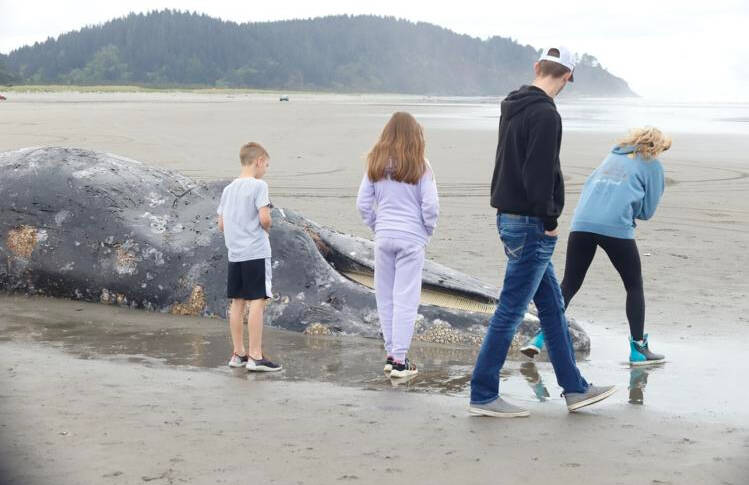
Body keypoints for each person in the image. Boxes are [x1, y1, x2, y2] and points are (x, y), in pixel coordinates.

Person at [469, 46, 616, 417]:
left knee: (552, 308)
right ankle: (483, 393)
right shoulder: (546, 114)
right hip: (530, 225)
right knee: (511, 311)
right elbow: (538, 173)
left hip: (510, 216)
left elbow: (510, 164)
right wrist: (549, 221)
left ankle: (574, 387)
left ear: (538, 66)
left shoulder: (512, 106)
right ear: (567, 76)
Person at [520, 127, 670, 366]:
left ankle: (538, 338)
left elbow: (591, 187)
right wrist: (632, 210)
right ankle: (639, 349)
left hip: (581, 224)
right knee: (633, 284)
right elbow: (648, 211)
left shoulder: (612, 157)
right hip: (615, 227)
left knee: (569, 283)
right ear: (656, 147)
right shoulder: (651, 164)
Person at [356, 112, 439, 379]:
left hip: (384, 236)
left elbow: (362, 204)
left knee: (385, 296)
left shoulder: (375, 163)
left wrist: (376, 225)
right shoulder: (420, 165)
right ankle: (401, 360)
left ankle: (391, 354)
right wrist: (427, 230)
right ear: (415, 136)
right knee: (406, 298)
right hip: (411, 237)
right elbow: (431, 206)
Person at [218, 142, 282, 372]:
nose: (265, 169)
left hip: (235, 252)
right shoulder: (259, 186)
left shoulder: (228, 189)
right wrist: (267, 227)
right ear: (258, 161)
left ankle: (238, 353)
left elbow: (221, 224)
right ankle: (256, 355)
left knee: (237, 301)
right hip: (255, 251)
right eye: (266, 164)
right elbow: (264, 218)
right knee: (257, 300)